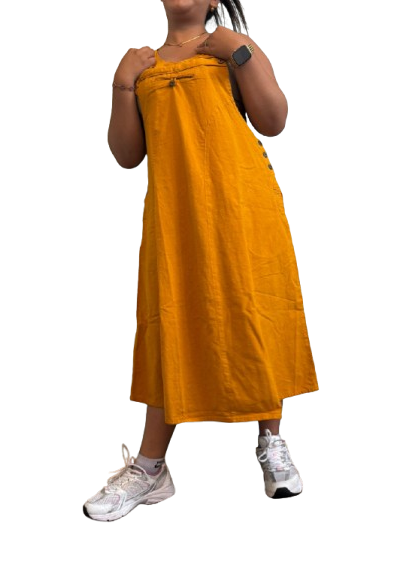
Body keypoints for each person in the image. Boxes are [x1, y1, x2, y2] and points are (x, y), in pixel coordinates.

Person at [83, 0, 319, 522]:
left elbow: (274, 120)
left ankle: (272, 443)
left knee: (255, 309)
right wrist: (122, 85)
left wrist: (238, 52)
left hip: (242, 207)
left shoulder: (234, 47)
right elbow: (127, 155)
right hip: (175, 218)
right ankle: (151, 469)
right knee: (172, 322)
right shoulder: (142, 65)